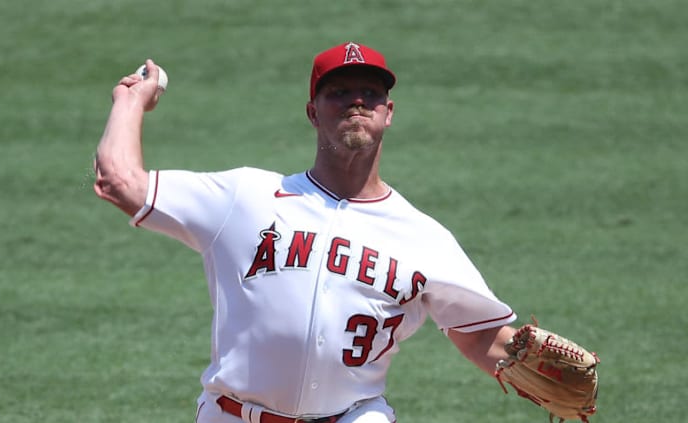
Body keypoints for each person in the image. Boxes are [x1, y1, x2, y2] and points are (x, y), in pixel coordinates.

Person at [94, 41, 518, 423]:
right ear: (313, 112)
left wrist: (554, 367)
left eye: (371, 93)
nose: (356, 101)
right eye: (338, 93)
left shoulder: (424, 237)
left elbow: (481, 335)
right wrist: (130, 101)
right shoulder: (245, 196)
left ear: (389, 113)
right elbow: (121, 182)